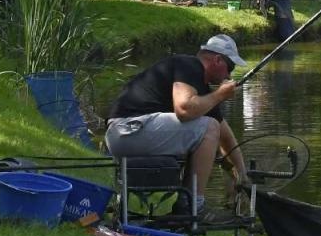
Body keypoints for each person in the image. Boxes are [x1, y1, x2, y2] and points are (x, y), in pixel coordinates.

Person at [104, 34, 252, 213]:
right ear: (217, 60)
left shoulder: (200, 90)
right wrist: (220, 94)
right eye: (230, 67)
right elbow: (184, 110)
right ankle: (192, 206)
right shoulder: (189, 65)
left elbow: (225, 137)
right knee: (208, 127)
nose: (229, 75)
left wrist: (241, 175)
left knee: (210, 126)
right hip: (127, 130)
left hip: (131, 133)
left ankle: (187, 203)